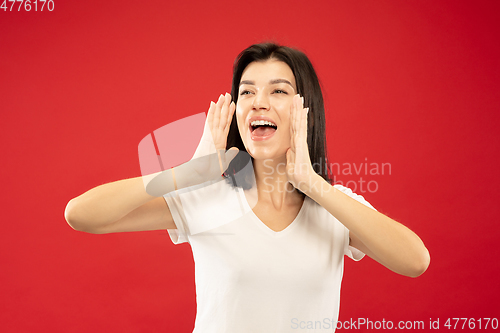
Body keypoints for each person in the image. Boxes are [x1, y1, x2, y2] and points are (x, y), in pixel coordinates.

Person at [65, 42, 430, 332]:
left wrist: (312, 185)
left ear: (306, 111)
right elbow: (81, 215)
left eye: (278, 91)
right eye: (247, 92)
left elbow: (415, 261)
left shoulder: (333, 207)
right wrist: (185, 175)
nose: (259, 103)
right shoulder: (206, 198)